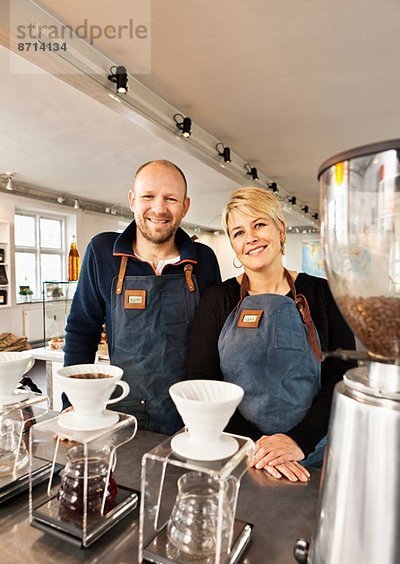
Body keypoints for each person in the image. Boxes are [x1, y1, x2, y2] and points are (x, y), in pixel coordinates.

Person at [187, 187, 355, 481]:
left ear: (281, 230)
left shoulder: (322, 293)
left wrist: (297, 441)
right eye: (238, 232)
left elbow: (341, 376)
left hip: (309, 456)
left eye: (259, 224)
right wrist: (258, 446)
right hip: (238, 451)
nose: (250, 237)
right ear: (234, 245)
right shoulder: (218, 299)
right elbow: (203, 381)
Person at [63, 159, 221, 434]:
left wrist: (207, 414)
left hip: (188, 419)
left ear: (185, 206)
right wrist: (77, 403)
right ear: (132, 200)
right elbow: (81, 331)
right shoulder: (102, 252)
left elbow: (215, 343)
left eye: (171, 198)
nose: (159, 208)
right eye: (148, 196)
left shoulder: (203, 260)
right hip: (117, 413)